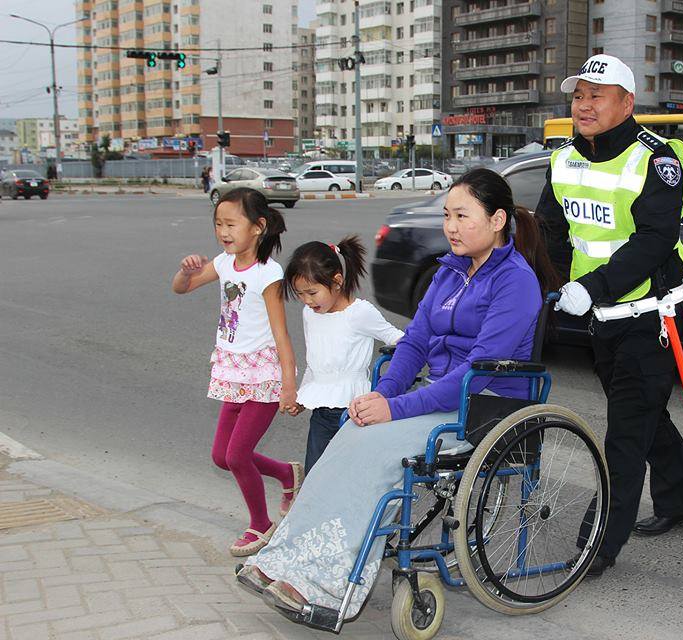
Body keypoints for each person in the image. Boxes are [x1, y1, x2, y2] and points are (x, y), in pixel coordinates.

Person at [237, 168, 559, 617]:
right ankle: (288, 561)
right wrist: (383, 396)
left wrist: (397, 407)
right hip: (442, 397)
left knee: (375, 450)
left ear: (498, 219)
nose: (450, 226)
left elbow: (475, 373)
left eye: (463, 216)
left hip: (486, 408)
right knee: (351, 431)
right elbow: (413, 344)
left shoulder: (515, 281)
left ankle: (328, 585)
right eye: (447, 215)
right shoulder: (448, 273)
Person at [537, 54, 683, 578]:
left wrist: (592, 287)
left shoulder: (658, 160)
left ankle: (597, 547)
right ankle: (681, 501)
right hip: (600, 314)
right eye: (578, 95)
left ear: (627, 102)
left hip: (651, 315)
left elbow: (656, 240)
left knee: (625, 434)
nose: (584, 105)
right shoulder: (563, 158)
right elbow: (551, 233)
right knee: (644, 412)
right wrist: (548, 286)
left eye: (597, 95)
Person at [172, 187, 303, 557]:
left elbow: (281, 334)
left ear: (258, 227)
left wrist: (289, 386)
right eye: (218, 224)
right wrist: (185, 272)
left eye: (232, 224)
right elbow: (181, 288)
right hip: (232, 372)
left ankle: (260, 525)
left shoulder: (269, 273)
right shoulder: (225, 262)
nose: (224, 232)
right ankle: (285, 474)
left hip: (262, 376)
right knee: (222, 456)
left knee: (236, 455)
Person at [282, 236, 404, 474]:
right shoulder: (310, 314)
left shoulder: (359, 313)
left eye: (312, 292)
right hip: (321, 415)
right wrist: (303, 395)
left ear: (337, 281)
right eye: (300, 294)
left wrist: (396, 380)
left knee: (350, 477)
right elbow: (314, 363)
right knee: (315, 477)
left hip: (354, 413)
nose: (307, 301)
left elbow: (399, 340)